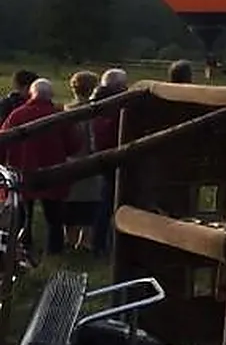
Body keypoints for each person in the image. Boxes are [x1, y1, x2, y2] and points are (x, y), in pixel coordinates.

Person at [0, 78, 82, 257]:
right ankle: (55, 252)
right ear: (50, 95)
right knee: (54, 218)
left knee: (22, 216)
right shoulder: (58, 116)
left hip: (22, 172)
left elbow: (3, 141)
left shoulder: (17, 115)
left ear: (31, 93)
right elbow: (74, 145)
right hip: (53, 173)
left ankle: (20, 251)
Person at [88, 68, 129, 257]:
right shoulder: (115, 107)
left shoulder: (97, 103)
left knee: (106, 204)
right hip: (116, 158)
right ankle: (108, 245)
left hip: (104, 157)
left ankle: (100, 243)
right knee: (112, 205)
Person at [63, 71, 103, 251]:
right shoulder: (94, 111)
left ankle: (69, 238)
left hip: (68, 162)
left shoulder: (65, 110)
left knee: (70, 203)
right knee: (90, 204)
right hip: (89, 162)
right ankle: (85, 240)